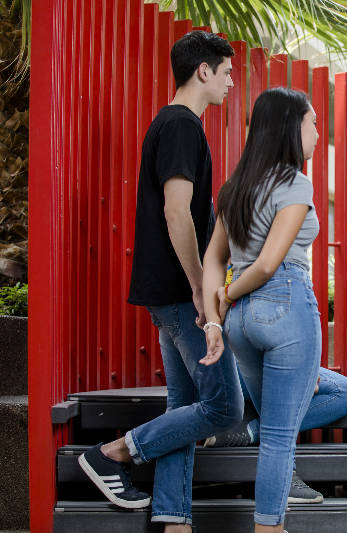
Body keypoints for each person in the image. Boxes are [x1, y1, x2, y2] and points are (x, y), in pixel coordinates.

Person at [78, 30, 242, 532]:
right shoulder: (180, 125)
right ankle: (115, 452)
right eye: (228, 72)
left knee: (185, 403)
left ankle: (173, 517)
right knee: (223, 407)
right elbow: (177, 212)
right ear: (203, 71)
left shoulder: (175, 124)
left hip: (167, 290)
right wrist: (199, 286)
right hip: (177, 291)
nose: (233, 83)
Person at [201, 86, 321, 532]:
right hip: (285, 303)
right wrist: (227, 295)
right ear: (292, 126)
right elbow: (270, 262)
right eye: (312, 123)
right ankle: (269, 528)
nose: (316, 132)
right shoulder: (295, 182)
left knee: (274, 423)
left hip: (240, 322)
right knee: (277, 437)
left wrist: (217, 318)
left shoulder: (236, 187)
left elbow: (214, 258)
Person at [205, 366, 347, 503]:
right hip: (228, 362)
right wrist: (299, 371)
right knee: (339, 390)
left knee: (345, 391)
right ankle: (282, 475)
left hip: (262, 358)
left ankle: (248, 429)